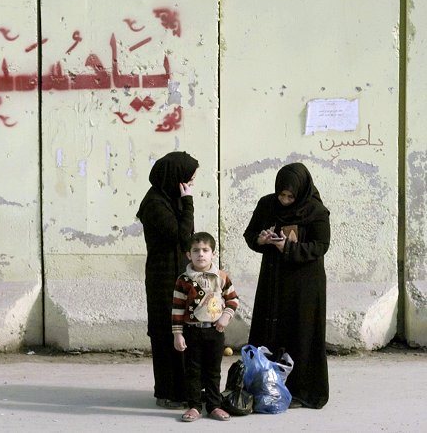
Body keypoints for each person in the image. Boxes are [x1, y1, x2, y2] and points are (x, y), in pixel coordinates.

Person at [243, 162, 330, 409]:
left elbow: (321, 246)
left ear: (301, 192)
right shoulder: (267, 205)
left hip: (305, 283)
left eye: (291, 196)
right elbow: (250, 234)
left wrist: (288, 248)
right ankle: (265, 386)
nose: (284, 200)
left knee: (301, 332)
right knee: (269, 331)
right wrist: (260, 240)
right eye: (281, 194)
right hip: (274, 278)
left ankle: (301, 391)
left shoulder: (316, 211)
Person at [136, 151, 199, 409]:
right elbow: (182, 236)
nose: (189, 186)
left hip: (179, 275)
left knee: (183, 330)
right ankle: (168, 391)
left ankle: (184, 390)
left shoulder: (170, 200)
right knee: (166, 332)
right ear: (175, 178)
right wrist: (189, 202)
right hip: (163, 278)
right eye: (188, 181)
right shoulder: (154, 204)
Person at [172, 232, 239, 422]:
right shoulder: (183, 280)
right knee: (192, 370)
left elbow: (232, 299)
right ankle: (194, 406)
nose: (200, 254)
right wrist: (178, 334)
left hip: (215, 331)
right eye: (196, 250)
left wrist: (225, 317)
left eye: (205, 250)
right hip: (192, 332)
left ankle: (214, 405)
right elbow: (177, 309)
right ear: (188, 255)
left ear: (213, 254)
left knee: (213, 370)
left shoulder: (221, 277)